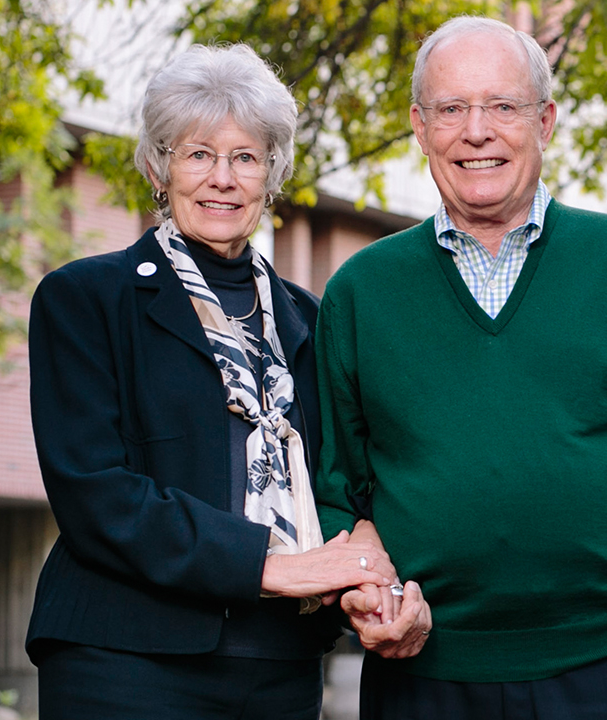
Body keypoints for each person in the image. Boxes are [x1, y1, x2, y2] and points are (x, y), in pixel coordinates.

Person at [314, 16, 607, 720]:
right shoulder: (360, 291)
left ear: (544, 122)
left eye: (503, 107)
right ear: (420, 127)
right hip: (423, 680)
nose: (477, 131)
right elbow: (334, 488)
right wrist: (364, 591)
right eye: (452, 109)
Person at [25, 43, 428, 720]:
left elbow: (342, 487)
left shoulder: (309, 319)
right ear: (159, 167)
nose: (222, 178)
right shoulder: (86, 299)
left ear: (272, 174)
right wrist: (269, 567)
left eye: (245, 157)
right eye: (197, 154)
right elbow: (95, 494)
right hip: (124, 659)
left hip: (279, 664)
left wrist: (372, 584)